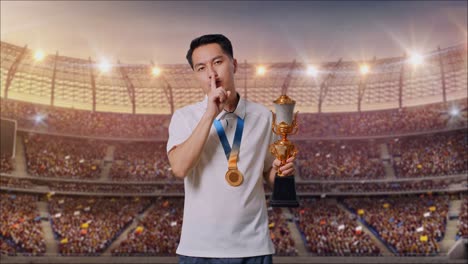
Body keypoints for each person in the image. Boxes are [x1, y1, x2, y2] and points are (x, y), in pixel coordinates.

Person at [167, 34, 295, 264]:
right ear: (195, 75)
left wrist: (283, 171)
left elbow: (269, 174)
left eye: (218, 62)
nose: (211, 74)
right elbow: (179, 168)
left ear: (233, 64)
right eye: (201, 68)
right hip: (199, 248)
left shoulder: (264, 117)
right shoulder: (184, 117)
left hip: (253, 247)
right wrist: (209, 114)